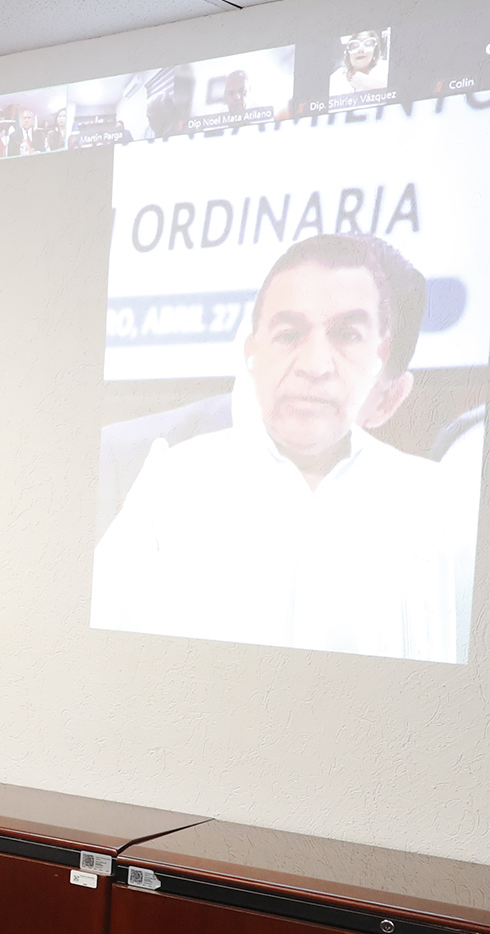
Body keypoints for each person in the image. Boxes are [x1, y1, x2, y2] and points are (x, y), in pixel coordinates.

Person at [93, 232, 469, 661]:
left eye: (348, 336)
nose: (315, 365)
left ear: (389, 399)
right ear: (252, 351)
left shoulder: (443, 512)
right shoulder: (158, 478)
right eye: (290, 333)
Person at [329, 30, 387, 98]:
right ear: (348, 54)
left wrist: (368, 83)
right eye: (355, 46)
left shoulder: (384, 69)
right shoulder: (336, 77)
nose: (361, 50)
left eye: (367, 44)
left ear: (374, 51)